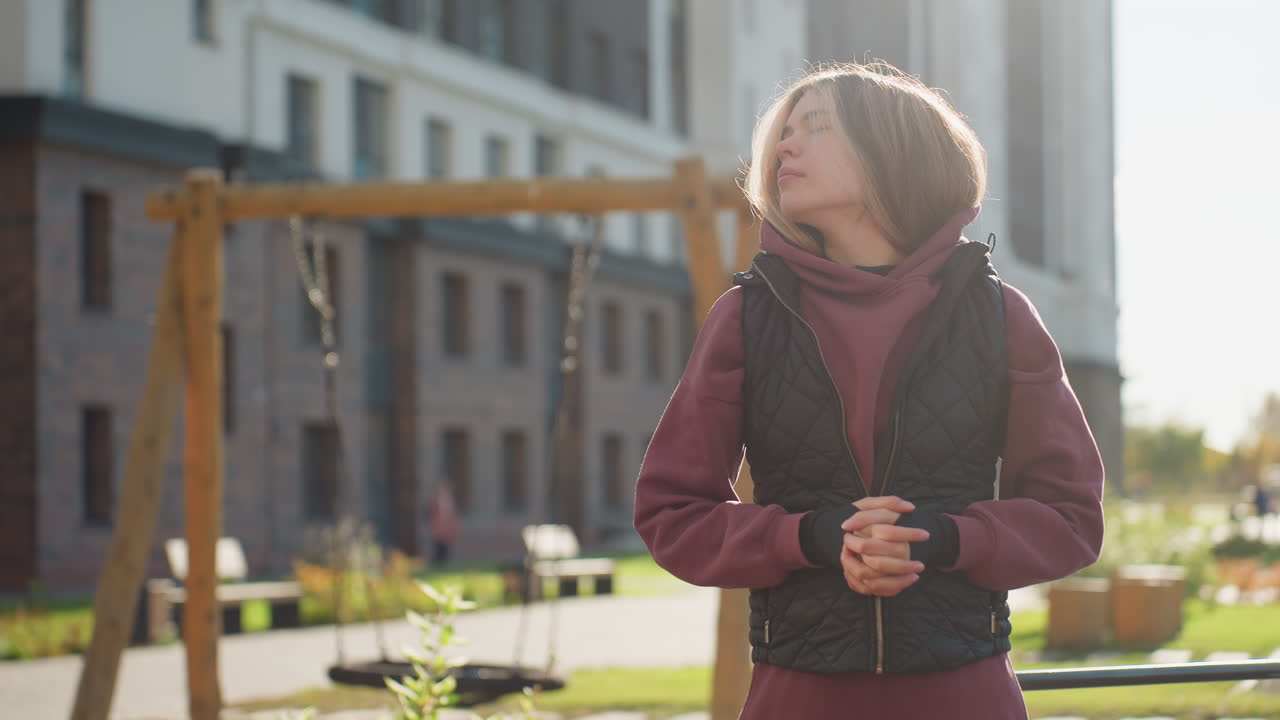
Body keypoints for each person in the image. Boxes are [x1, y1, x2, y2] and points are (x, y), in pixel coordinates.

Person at [633, 62, 1105, 719]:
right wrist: (815, 538)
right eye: (785, 131)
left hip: (964, 694)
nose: (784, 146)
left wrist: (939, 539)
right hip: (798, 696)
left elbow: (1070, 519)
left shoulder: (1000, 315)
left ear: (894, 150)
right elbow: (672, 514)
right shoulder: (746, 317)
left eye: (816, 127)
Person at [428, 481, 459, 566]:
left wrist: (452, 527)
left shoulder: (450, 500)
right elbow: (434, 514)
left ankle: (443, 562)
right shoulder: (437, 500)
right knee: (438, 546)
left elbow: (452, 515)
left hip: (446, 528)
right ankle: (438, 563)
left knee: (446, 547)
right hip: (439, 528)